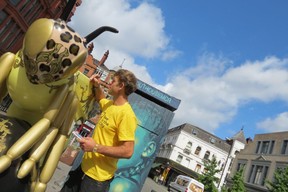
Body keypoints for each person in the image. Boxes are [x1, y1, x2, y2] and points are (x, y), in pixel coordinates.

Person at [61, 69, 138, 192]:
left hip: (97, 180)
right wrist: (96, 85)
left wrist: (95, 147)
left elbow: (128, 151)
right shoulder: (110, 105)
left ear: (121, 86)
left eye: (113, 81)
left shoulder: (127, 115)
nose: (109, 83)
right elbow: (100, 98)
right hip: (83, 168)